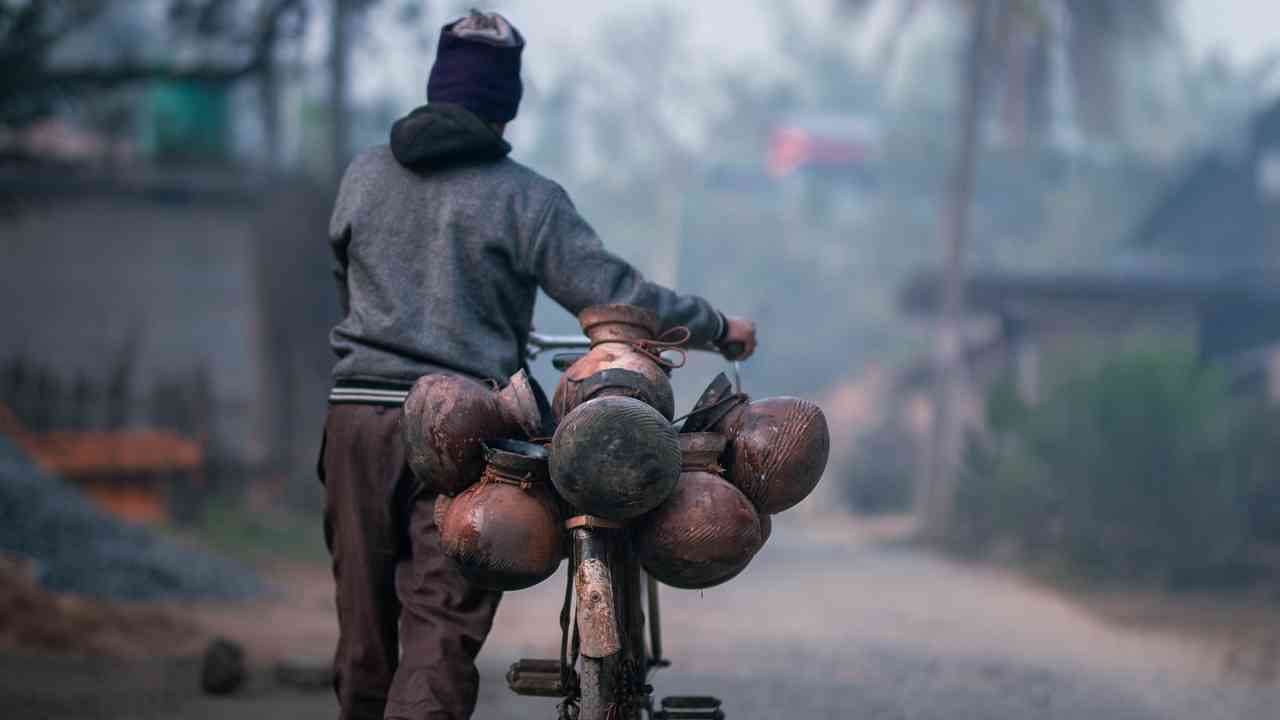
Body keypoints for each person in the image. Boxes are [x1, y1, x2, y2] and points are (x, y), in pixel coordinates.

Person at [320, 10, 756, 720]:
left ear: (436, 85)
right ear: (506, 105)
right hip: (464, 435)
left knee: (363, 634)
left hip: (356, 420)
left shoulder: (363, 176)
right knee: (438, 628)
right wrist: (718, 328)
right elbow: (618, 298)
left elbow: (345, 282)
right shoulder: (524, 197)